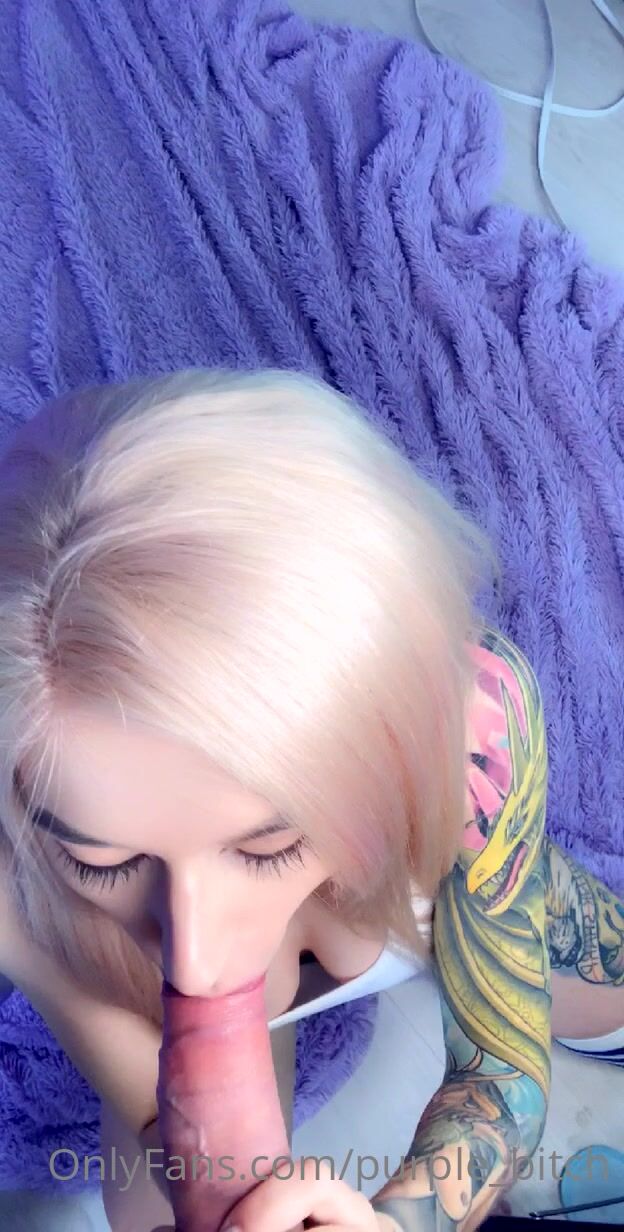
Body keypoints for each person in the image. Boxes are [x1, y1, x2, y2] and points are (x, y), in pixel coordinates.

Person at [0, 369, 622, 1232]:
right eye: (102, 860)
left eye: (268, 844)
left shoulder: (469, 721)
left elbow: (502, 1067)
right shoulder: (17, 862)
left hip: (464, 888)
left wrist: (403, 1220)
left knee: (608, 988)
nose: (198, 960)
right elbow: (153, 1122)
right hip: (166, 1049)